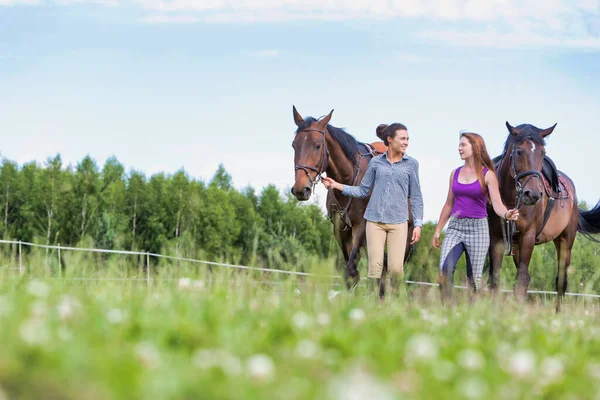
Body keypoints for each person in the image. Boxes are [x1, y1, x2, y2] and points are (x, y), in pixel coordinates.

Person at [322, 123, 424, 296]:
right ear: (390, 140)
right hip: (374, 221)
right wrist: (337, 185)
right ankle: (377, 305)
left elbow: (416, 196)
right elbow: (362, 190)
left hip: (398, 222)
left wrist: (418, 223)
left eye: (407, 139)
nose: (406, 142)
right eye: (402, 138)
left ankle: (396, 305)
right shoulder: (375, 162)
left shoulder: (411, 164)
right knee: (374, 270)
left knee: (396, 270)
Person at [432, 131, 519, 301]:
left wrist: (507, 214)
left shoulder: (488, 175)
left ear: (475, 147)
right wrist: (437, 230)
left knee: (474, 280)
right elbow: (449, 204)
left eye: (463, 144)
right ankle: (448, 312)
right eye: (459, 145)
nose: (459, 148)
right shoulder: (454, 174)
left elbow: (497, 204)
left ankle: (471, 314)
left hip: (478, 229)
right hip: (455, 228)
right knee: (445, 270)